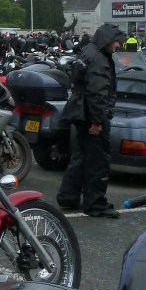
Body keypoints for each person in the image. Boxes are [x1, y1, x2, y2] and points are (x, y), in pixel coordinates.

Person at [56, 22, 125, 219]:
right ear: (107, 41)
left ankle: (68, 197)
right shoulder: (100, 59)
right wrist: (98, 121)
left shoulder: (88, 51)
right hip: (89, 113)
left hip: (79, 111)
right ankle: (96, 204)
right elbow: (97, 93)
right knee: (98, 160)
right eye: (116, 42)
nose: (118, 46)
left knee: (82, 156)